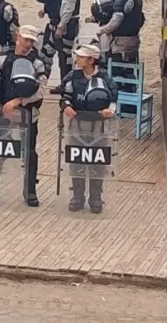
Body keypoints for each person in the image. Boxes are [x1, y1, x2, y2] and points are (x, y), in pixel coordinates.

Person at [0, 25, 49, 207]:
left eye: (32, 41)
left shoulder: (38, 62)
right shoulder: (3, 57)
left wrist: (20, 100)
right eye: (26, 39)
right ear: (18, 37)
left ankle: (30, 191)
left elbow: (41, 90)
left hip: (28, 111)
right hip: (3, 109)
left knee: (29, 152)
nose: (28, 44)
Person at [59, 44, 118, 214]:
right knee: (76, 160)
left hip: (99, 126)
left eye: (81, 56)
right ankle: (77, 196)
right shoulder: (73, 76)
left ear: (91, 60)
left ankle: (96, 197)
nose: (77, 59)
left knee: (98, 162)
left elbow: (114, 97)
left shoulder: (105, 78)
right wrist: (66, 106)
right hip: (77, 125)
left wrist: (110, 110)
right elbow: (65, 95)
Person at [95, 0, 145, 115]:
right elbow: (141, 19)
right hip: (133, 40)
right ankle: (129, 106)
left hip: (120, 43)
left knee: (117, 72)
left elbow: (116, 20)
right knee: (128, 71)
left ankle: (121, 107)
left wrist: (102, 30)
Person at [33, 0, 81, 86]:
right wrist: (45, 9)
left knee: (65, 55)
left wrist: (61, 25)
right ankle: (40, 82)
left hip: (66, 25)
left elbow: (68, 6)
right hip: (54, 23)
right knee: (46, 52)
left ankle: (66, 86)